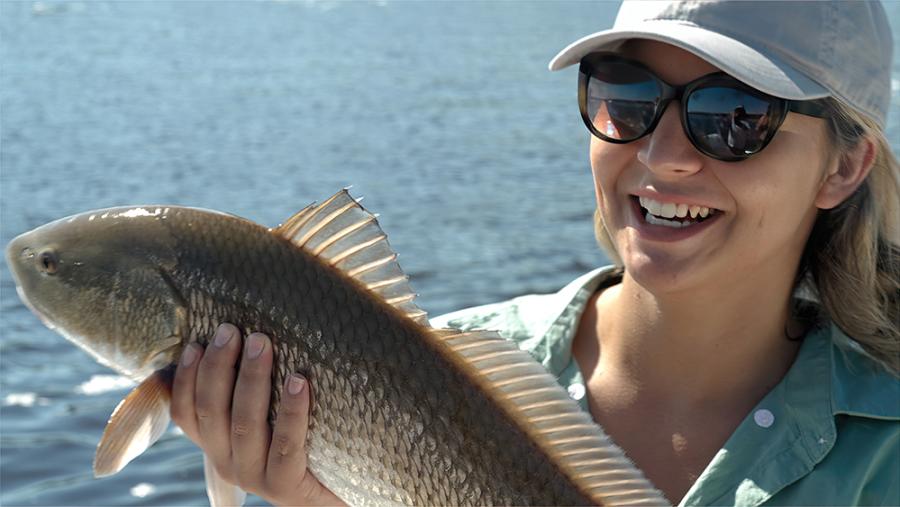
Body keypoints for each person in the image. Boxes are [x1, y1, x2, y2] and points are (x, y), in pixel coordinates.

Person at [170, 1, 900, 505]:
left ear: (844, 167)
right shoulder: (434, 372)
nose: (662, 154)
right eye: (628, 95)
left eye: (735, 117)